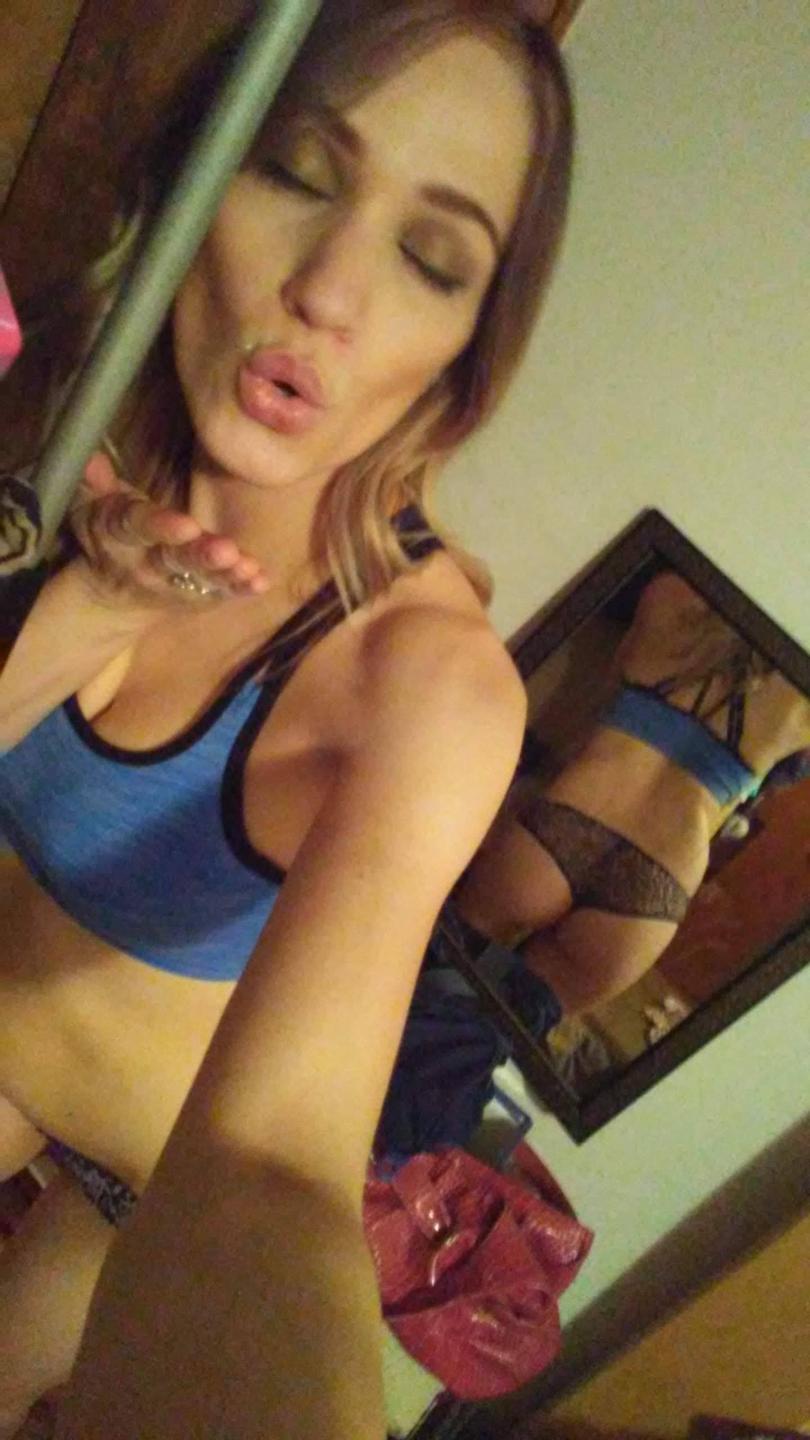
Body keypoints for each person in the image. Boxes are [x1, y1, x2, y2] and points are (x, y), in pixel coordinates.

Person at [0, 3, 574, 1436]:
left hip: (139, 1184)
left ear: (463, 355)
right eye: (299, 174)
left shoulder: (425, 686)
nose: (329, 289)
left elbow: (272, 1177)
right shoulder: (67, 436)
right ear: (195, 184)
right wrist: (76, 620)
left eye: (430, 258)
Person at [454, 568, 810, 1017]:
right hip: (657, 883)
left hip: (569, 821)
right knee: (499, 1034)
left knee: (436, 971)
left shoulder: (676, 592)